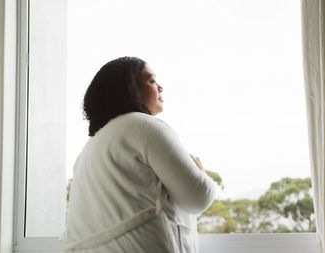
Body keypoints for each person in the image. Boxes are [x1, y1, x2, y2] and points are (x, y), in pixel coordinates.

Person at [61, 56, 216, 253]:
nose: (160, 87)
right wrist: (199, 171)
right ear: (129, 88)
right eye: (152, 81)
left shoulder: (89, 149)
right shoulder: (144, 127)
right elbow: (198, 197)